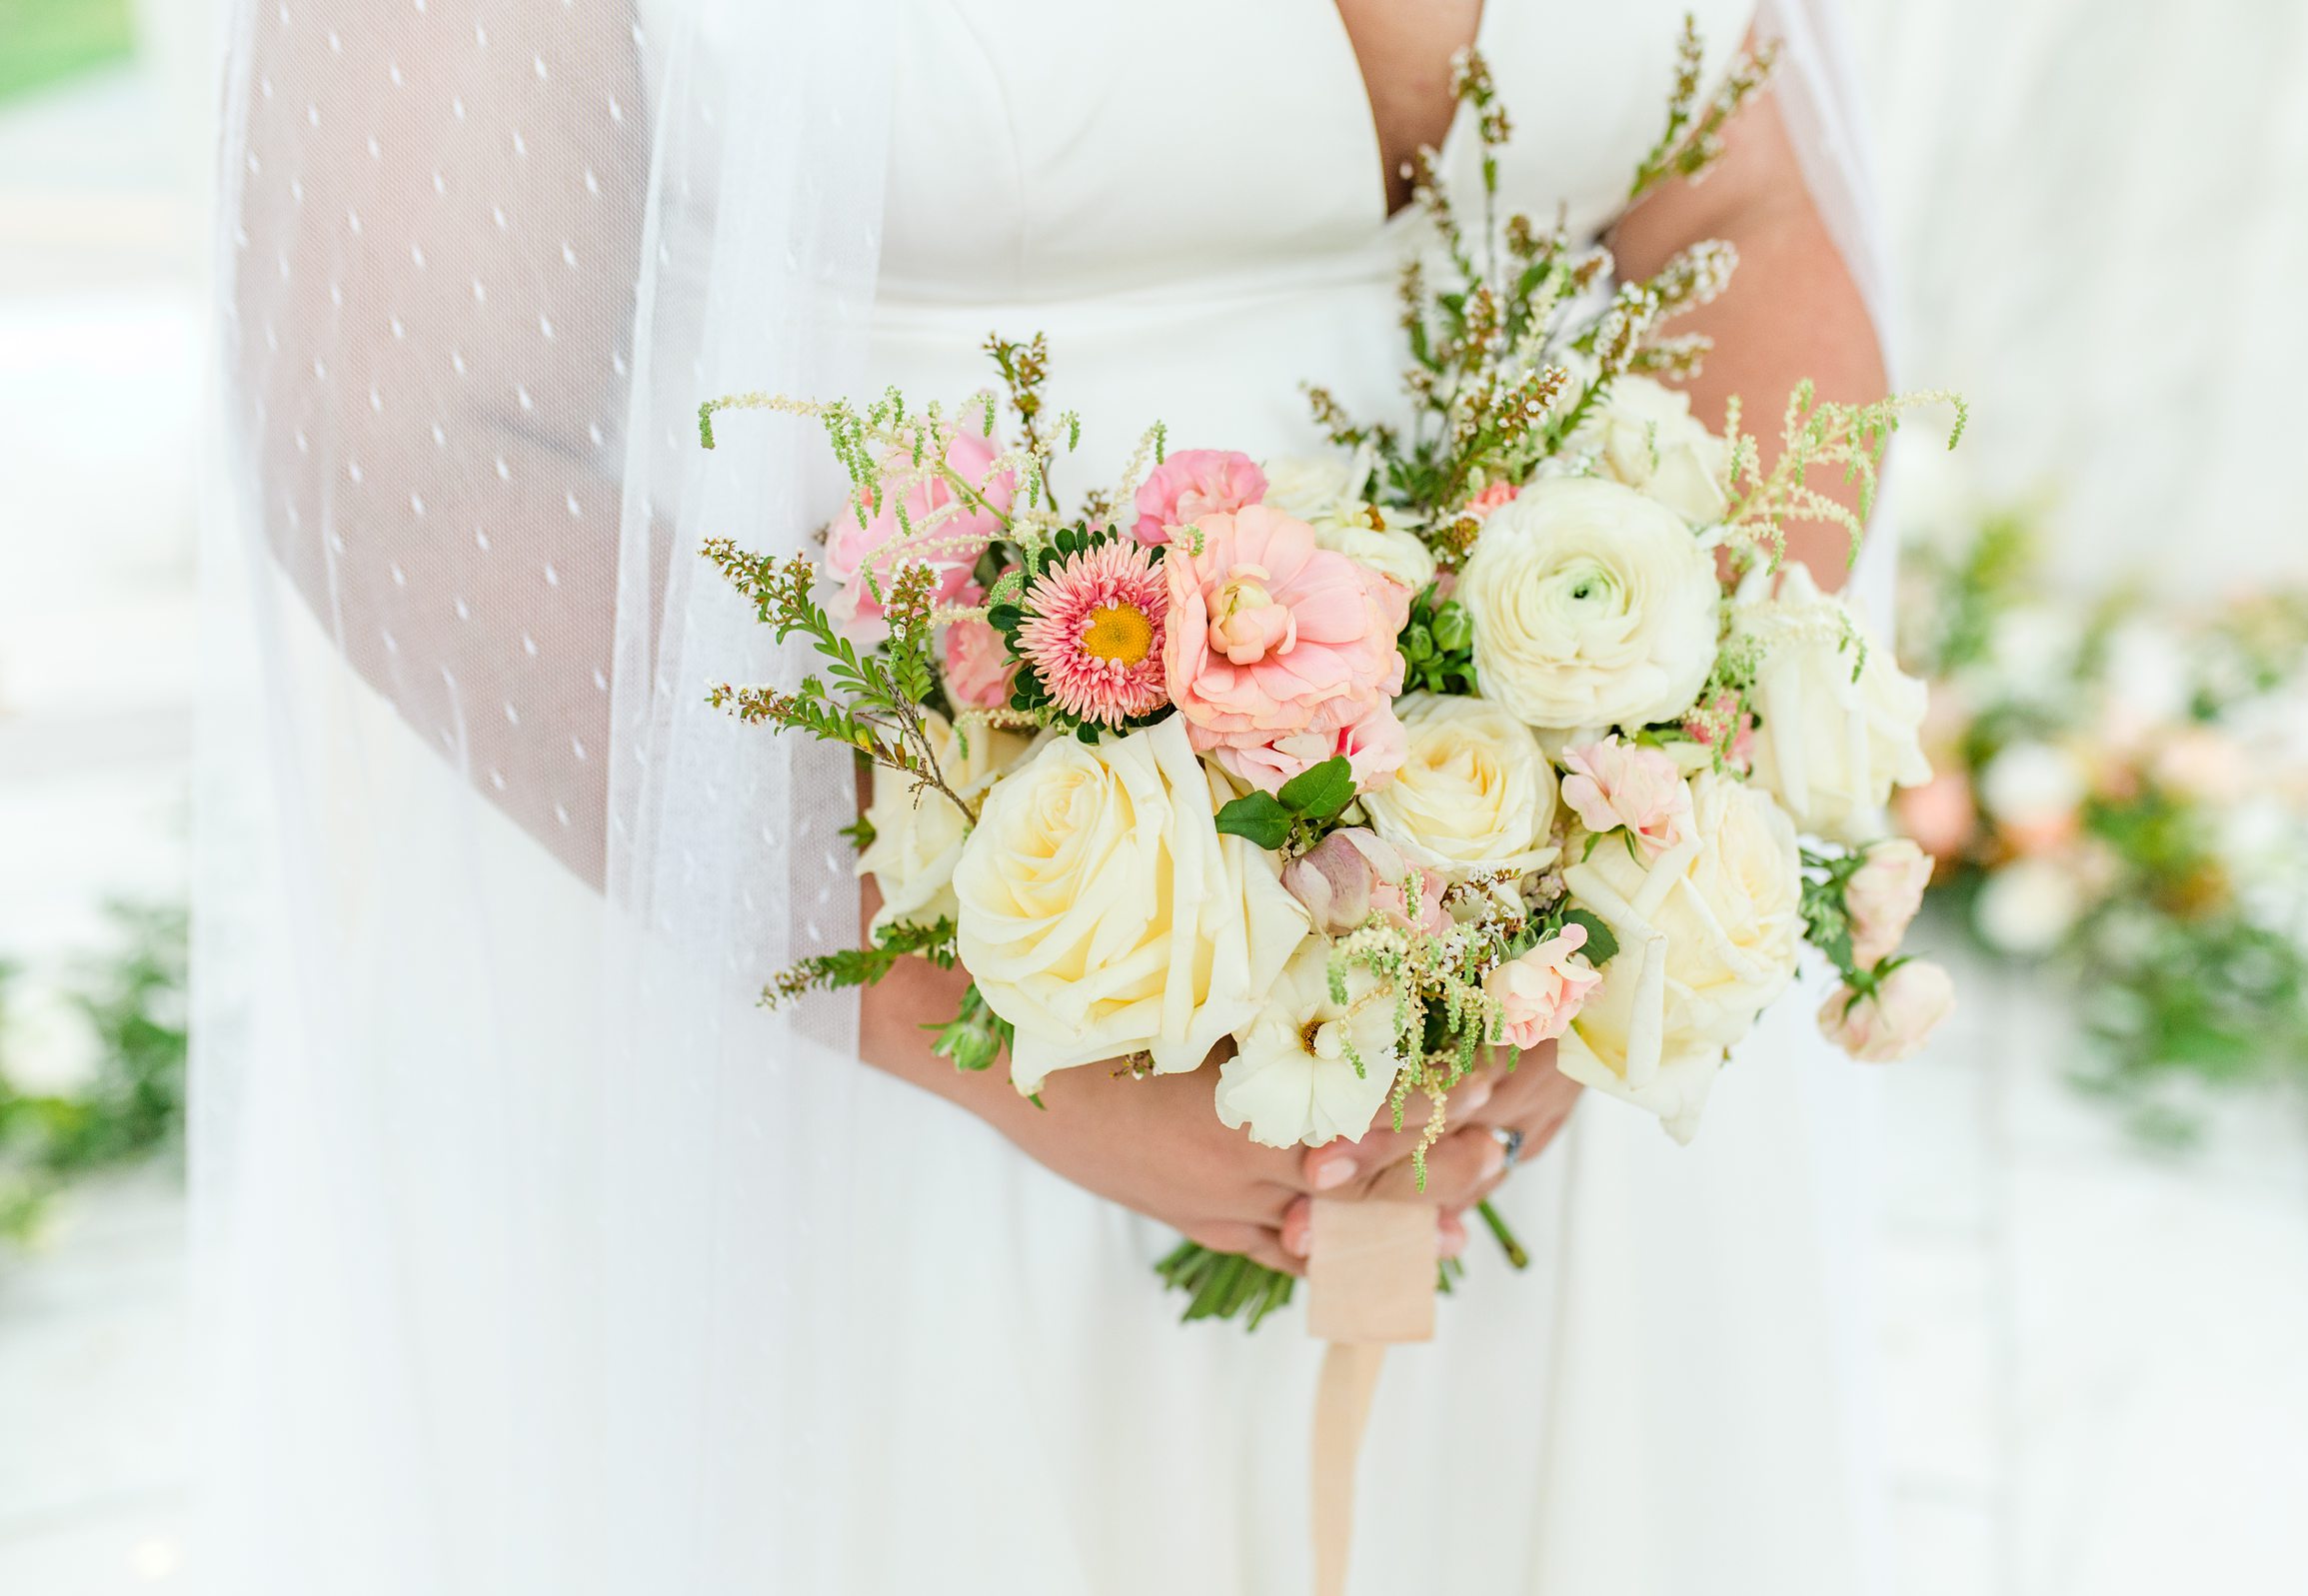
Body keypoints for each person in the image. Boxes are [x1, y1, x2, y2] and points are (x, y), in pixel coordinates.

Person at [202, 3, 1895, 1590]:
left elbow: (1747, 199)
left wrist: (1618, 831)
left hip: (1518, 1007)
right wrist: (993, 1010)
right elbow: (400, 441)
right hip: (846, 1022)